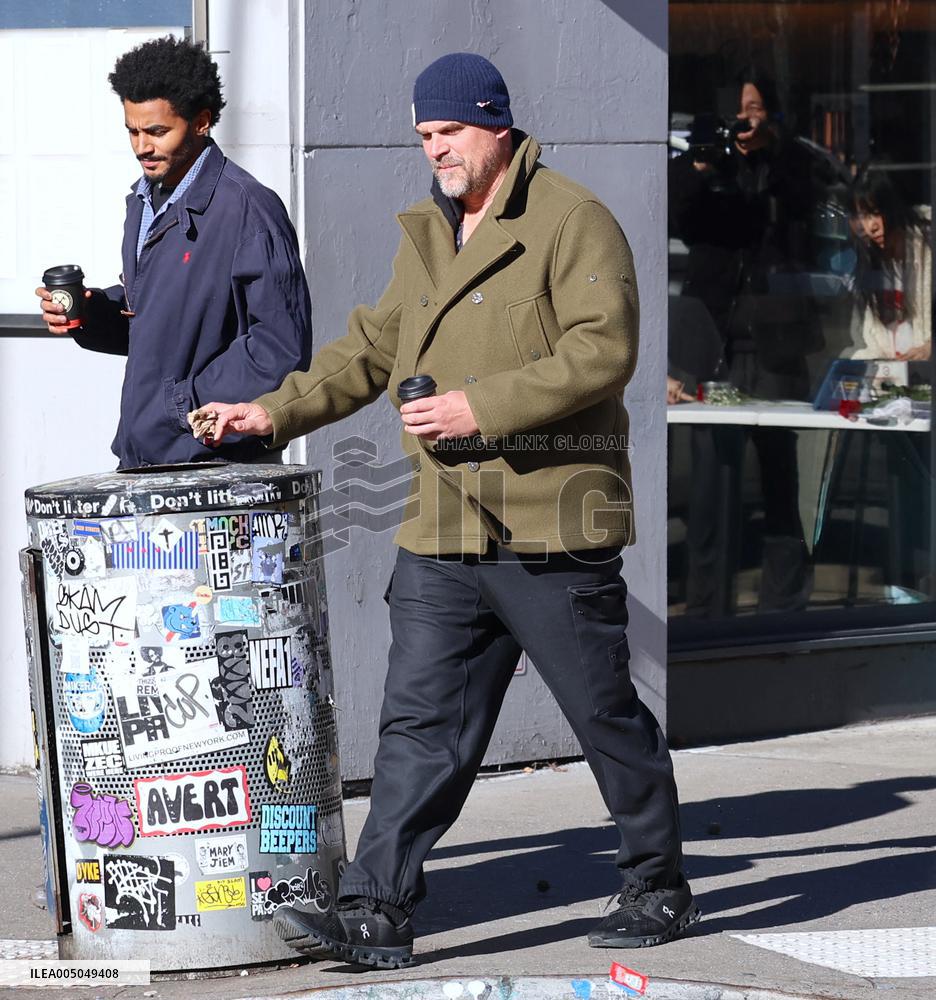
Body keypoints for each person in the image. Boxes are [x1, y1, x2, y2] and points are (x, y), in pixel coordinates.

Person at [202, 52, 699, 968]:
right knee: (417, 725)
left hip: (549, 525)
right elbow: (369, 350)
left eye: (450, 132)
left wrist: (481, 405)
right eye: (425, 136)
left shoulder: (572, 220)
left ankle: (658, 885)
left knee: (604, 716)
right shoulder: (429, 234)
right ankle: (377, 910)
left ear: (496, 126)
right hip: (442, 527)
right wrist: (270, 411)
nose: (436, 150)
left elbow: (605, 349)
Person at [35, 36, 312, 468]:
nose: (142, 145)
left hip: (216, 470)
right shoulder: (145, 202)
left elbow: (281, 347)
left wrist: (184, 404)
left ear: (201, 122)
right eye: (132, 130)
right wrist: (90, 314)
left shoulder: (248, 208)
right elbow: (157, 318)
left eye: (157, 131)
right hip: (147, 461)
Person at [668, 69, 819, 614]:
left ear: (774, 115)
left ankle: (784, 604)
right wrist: (704, 160)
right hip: (714, 344)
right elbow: (675, 212)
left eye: (756, 109)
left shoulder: (787, 163)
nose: (746, 119)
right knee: (711, 483)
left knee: (780, 476)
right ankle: (709, 606)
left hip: (774, 343)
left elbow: (805, 198)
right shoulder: (711, 164)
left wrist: (769, 149)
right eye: (740, 109)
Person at [848, 167, 932, 361]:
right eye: (864, 216)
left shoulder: (927, 249)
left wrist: (930, 348)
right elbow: (862, 336)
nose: (871, 226)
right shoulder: (869, 257)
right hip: (888, 375)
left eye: (876, 213)